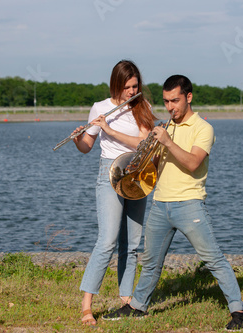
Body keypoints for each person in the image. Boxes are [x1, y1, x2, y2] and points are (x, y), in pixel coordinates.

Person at [102, 75, 243, 331]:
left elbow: (193, 163)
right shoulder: (167, 126)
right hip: (160, 204)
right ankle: (137, 307)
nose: (170, 107)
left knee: (213, 259)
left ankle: (238, 311)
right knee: (150, 262)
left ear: (188, 97)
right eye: (166, 101)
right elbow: (156, 164)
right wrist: (142, 161)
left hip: (189, 204)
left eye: (175, 101)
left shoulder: (203, 128)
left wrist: (167, 142)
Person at [72, 60, 157, 326]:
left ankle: (126, 299)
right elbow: (87, 146)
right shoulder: (100, 108)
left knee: (131, 244)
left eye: (135, 86)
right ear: (116, 85)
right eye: (127, 87)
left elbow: (144, 142)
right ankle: (87, 306)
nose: (132, 91)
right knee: (107, 241)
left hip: (138, 172)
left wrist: (110, 129)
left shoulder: (143, 107)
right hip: (110, 173)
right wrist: (78, 138)